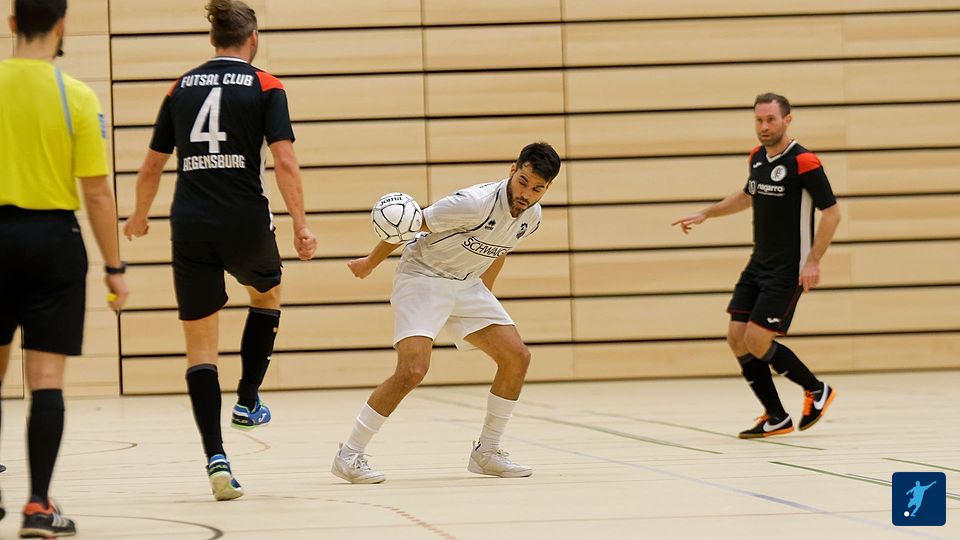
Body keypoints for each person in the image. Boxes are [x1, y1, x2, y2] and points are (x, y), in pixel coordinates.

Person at [123, 0, 316, 501]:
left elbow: (151, 167)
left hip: (190, 225)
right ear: (253, 39)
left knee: (200, 349)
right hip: (245, 221)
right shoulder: (266, 85)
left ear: (213, 39)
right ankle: (248, 399)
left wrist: (139, 216)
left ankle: (216, 459)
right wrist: (300, 225)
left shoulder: (180, 87)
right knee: (266, 294)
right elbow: (285, 162)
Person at [331, 142, 561, 483]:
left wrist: (485, 294)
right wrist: (370, 262)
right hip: (423, 276)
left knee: (517, 357)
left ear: (547, 188)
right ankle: (349, 455)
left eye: (537, 188)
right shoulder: (473, 203)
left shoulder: (532, 217)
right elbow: (409, 224)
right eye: (523, 182)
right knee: (413, 370)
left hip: (466, 284)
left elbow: (499, 249)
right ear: (512, 170)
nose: (526, 194)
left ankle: (487, 452)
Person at [0, 0, 129, 535]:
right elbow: (96, 192)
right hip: (53, 242)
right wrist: (115, 266)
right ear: (61, 26)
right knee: (46, 380)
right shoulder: (75, 95)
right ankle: (37, 506)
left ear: (12, 23)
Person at [672, 93, 840, 439]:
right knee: (737, 338)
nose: (764, 126)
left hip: (788, 268)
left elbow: (832, 214)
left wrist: (813, 260)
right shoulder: (757, 158)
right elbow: (747, 195)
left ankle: (816, 389)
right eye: (759, 120)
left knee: (757, 339)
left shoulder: (804, 161)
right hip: (758, 263)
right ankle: (776, 416)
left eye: (771, 120)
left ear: (787, 120)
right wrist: (706, 213)